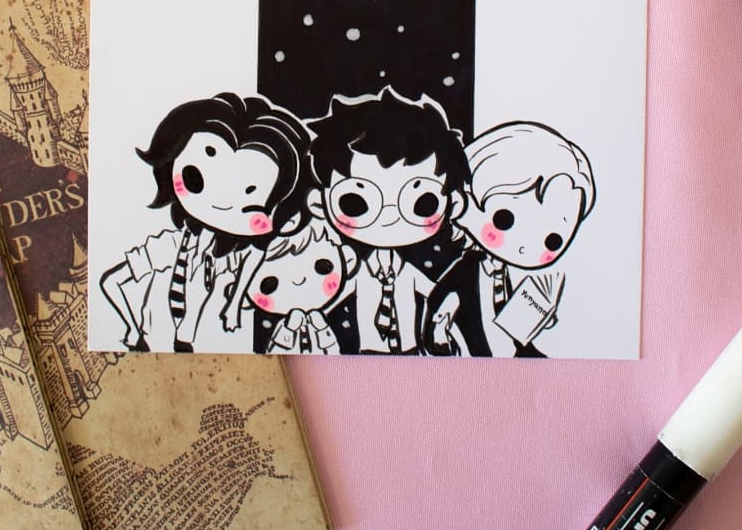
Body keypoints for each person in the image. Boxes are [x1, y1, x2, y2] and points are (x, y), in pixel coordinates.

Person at [100, 92, 314, 352]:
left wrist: (234, 303)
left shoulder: (223, 260)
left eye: (249, 192)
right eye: (197, 176)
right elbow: (111, 282)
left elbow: (255, 254)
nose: (222, 201)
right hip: (153, 351)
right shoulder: (168, 247)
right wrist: (134, 333)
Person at [308, 87, 470, 355]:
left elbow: (439, 297)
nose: (390, 217)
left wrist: (449, 315)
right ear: (318, 204)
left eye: (423, 203)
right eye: (354, 202)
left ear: (454, 205)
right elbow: (330, 303)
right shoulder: (357, 275)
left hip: (411, 351)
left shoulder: (409, 274)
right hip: (366, 354)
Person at [426, 120, 596, 357]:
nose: (526, 246)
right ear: (461, 203)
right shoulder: (466, 272)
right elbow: (440, 311)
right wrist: (441, 339)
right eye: (503, 220)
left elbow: (510, 318)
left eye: (552, 241)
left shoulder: (505, 273)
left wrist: (538, 318)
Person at [248, 219, 358, 354]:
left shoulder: (327, 320)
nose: (298, 280)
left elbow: (333, 350)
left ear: (347, 261)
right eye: (270, 284)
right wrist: (289, 329)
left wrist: (321, 328)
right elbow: (275, 351)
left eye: (323, 267)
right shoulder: (278, 326)